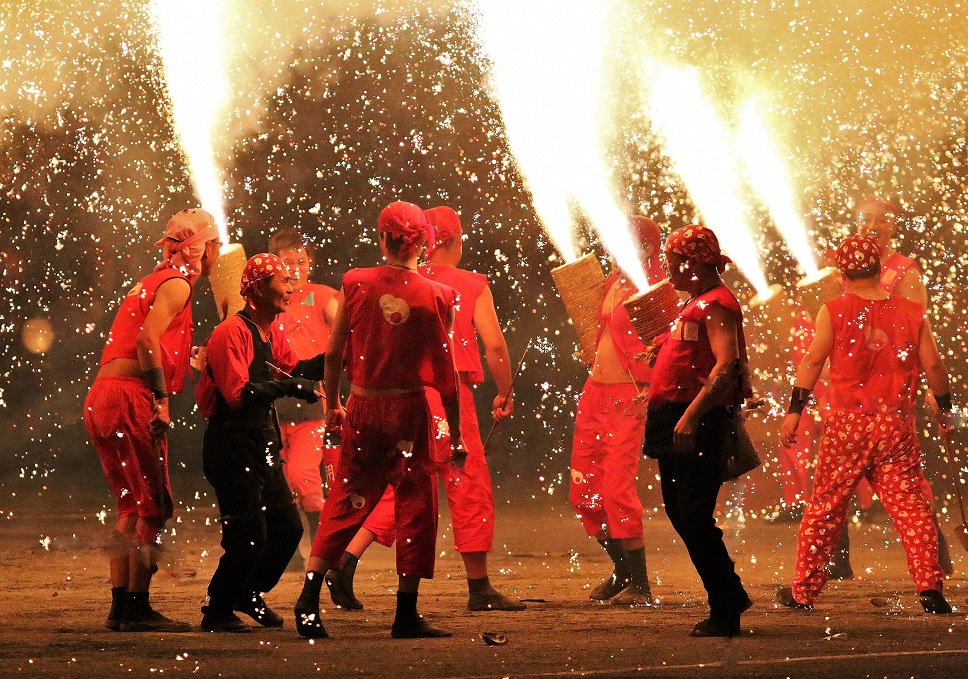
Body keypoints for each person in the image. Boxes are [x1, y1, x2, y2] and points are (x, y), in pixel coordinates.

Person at [325, 205, 524, 612]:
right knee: (467, 482)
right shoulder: (468, 285)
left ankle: (347, 559)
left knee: (403, 482)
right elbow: (496, 345)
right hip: (448, 394)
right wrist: (505, 392)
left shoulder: (398, 278)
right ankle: (479, 586)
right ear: (449, 240)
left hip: (404, 396)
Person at [293, 201, 462, 639]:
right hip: (408, 411)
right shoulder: (437, 295)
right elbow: (447, 376)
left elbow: (333, 354)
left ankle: (309, 596)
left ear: (382, 238)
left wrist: (333, 404)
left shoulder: (355, 283)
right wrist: (457, 434)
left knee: (347, 495)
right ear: (423, 241)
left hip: (364, 406)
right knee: (415, 505)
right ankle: (405, 614)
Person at [776, 234, 954, 614]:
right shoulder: (910, 310)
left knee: (826, 506)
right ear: (879, 269)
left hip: (847, 426)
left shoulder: (833, 309)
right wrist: (946, 409)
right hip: (895, 424)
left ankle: (803, 592)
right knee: (911, 507)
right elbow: (934, 365)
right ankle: (930, 588)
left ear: (841, 272)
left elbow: (812, 362)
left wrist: (795, 410)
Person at [84, 208, 221, 632]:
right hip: (130, 396)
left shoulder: (152, 280)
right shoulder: (177, 284)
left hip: (101, 397)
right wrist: (161, 398)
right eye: (215, 243)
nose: (219, 251)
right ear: (202, 248)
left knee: (129, 502)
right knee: (154, 506)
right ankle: (138, 606)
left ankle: (121, 608)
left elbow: (147, 339)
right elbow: (146, 340)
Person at [196, 253, 325, 632]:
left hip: (260, 442)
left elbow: (295, 369)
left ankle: (247, 591)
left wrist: (340, 355)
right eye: (281, 281)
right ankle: (218, 608)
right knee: (248, 533)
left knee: (287, 527)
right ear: (256, 292)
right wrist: (291, 387)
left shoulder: (271, 331)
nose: (291, 286)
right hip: (231, 444)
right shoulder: (230, 333)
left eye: (291, 279)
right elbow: (237, 394)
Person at [833, 196, 950, 578]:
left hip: (892, 389)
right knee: (835, 476)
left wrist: (933, 388)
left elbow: (918, 331)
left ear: (893, 226)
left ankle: (934, 554)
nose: (872, 226)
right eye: (864, 219)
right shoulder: (843, 266)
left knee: (905, 478)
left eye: (880, 221)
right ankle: (835, 559)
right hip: (849, 385)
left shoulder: (905, 272)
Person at [644, 224, 752, 637]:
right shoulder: (696, 303)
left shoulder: (717, 304)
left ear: (692, 263)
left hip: (697, 422)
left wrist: (690, 415)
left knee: (693, 513)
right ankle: (731, 592)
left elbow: (726, 366)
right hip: (676, 415)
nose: (667, 273)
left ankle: (725, 609)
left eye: (672, 264)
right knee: (681, 512)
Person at [568, 216, 663, 607]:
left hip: (628, 397)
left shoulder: (654, 285)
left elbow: (663, 345)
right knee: (583, 488)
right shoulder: (613, 279)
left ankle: (640, 583)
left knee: (616, 488)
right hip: (595, 394)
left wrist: (650, 388)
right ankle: (622, 570)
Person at [268, 230, 339, 553]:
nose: (295, 269)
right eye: (287, 262)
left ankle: (321, 548)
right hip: (271, 401)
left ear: (310, 263)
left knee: (303, 477)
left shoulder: (323, 295)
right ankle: (289, 552)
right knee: (275, 480)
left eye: (301, 261)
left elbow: (343, 334)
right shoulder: (264, 298)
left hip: (310, 401)